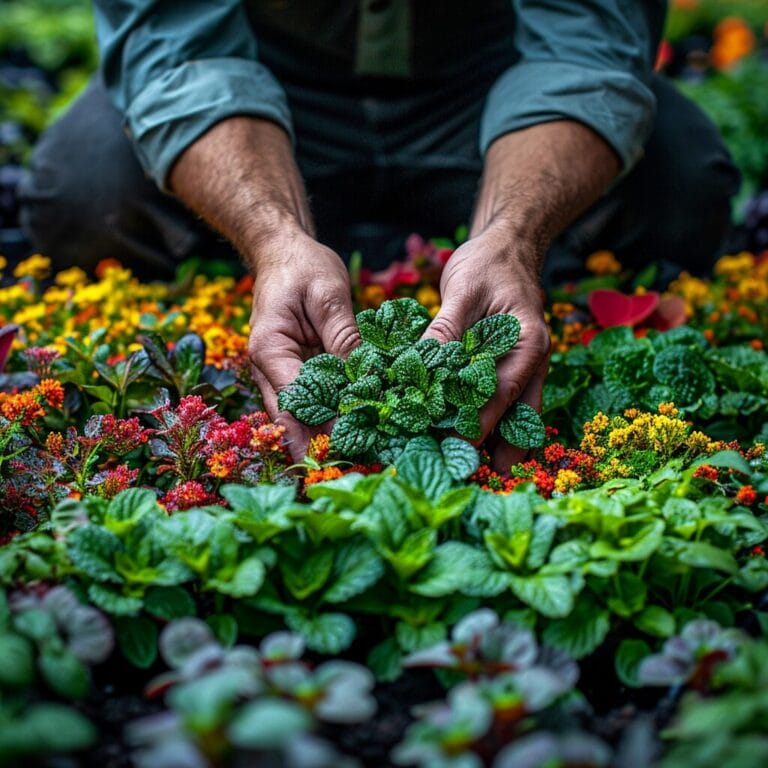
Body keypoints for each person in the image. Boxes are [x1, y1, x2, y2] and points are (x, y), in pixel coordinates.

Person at [19, 1, 739, 465]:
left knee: (680, 185)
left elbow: (585, 50)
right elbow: (177, 50)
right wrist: (273, 238)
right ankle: (339, 232)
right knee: (86, 190)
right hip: (272, 78)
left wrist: (513, 236)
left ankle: (433, 235)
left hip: (488, 75)